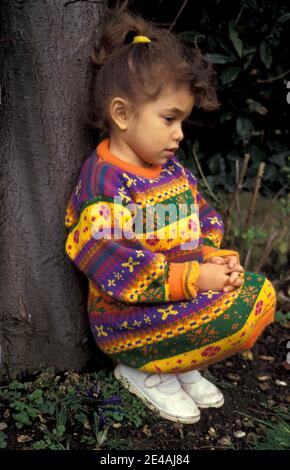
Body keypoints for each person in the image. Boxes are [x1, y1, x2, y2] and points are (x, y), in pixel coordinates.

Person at [64, 6, 276, 424]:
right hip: (125, 321)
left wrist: (210, 257)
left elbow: (201, 217)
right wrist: (194, 279)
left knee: (259, 295)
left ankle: (178, 360)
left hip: (176, 300)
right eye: (169, 119)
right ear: (122, 114)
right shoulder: (104, 185)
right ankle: (143, 368)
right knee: (242, 311)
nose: (179, 133)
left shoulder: (171, 172)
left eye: (182, 120)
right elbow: (116, 264)